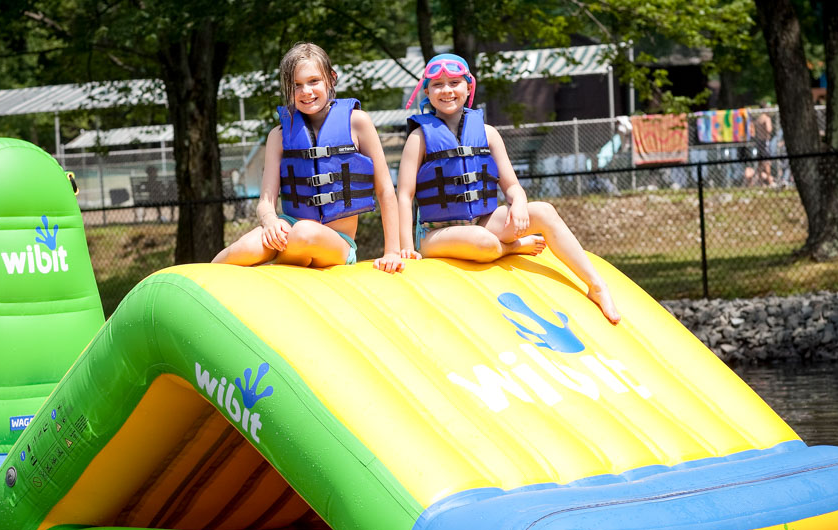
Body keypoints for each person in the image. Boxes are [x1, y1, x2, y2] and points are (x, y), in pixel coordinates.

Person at [396, 53, 620, 324]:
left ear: (468, 86)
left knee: (544, 211)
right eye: (437, 84)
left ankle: (596, 285)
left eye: (454, 83)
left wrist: (520, 203)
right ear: (427, 92)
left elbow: (512, 186)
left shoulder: (488, 133)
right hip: (436, 234)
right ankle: (512, 248)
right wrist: (406, 249)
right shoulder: (419, 137)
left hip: (481, 220)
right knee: (483, 241)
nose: (446, 90)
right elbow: (404, 195)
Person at [213, 43, 403, 272]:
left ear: (331, 79)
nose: (306, 91)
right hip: (288, 228)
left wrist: (392, 252)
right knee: (243, 249)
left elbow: (385, 190)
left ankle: (273, 268)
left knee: (303, 233)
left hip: (336, 241)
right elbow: (265, 201)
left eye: (314, 81)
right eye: (296, 85)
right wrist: (271, 222)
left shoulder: (357, 122)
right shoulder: (278, 135)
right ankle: (197, 279)